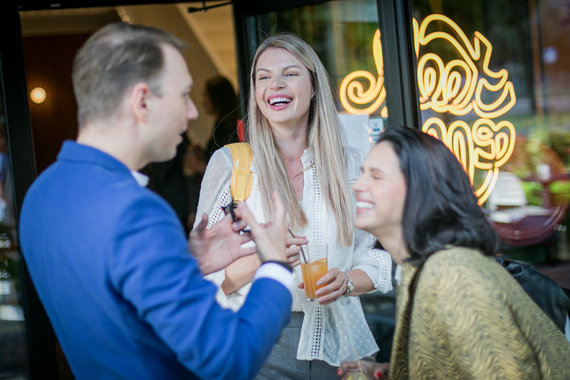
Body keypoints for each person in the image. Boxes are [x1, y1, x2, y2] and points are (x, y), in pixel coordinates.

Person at [18, 22, 296, 380]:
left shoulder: (43, 192)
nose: (193, 112)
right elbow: (230, 358)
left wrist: (185, 264)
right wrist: (274, 265)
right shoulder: (138, 213)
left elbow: (116, 306)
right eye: (183, 96)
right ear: (143, 101)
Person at [195, 33, 393, 379]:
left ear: (314, 86)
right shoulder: (231, 166)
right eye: (264, 77)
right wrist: (264, 257)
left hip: (343, 343)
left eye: (290, 73)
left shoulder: (350, 165)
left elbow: (381, 256)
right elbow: (202, 278)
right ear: (256, 93)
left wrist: (347, 281)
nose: (276, 85)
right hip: (259, 341)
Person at [338, 126, 570, 379]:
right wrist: (395, 372)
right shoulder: (421, 266)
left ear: (419, 189)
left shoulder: (452, 273)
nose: (357, 185)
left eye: (376, 176)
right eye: (362, 174)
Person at [202, 75, 240, 160]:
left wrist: (199, 165)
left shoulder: (230, 128)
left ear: (216, 98)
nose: (203, 102)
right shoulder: (219, 123)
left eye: (205, 96)